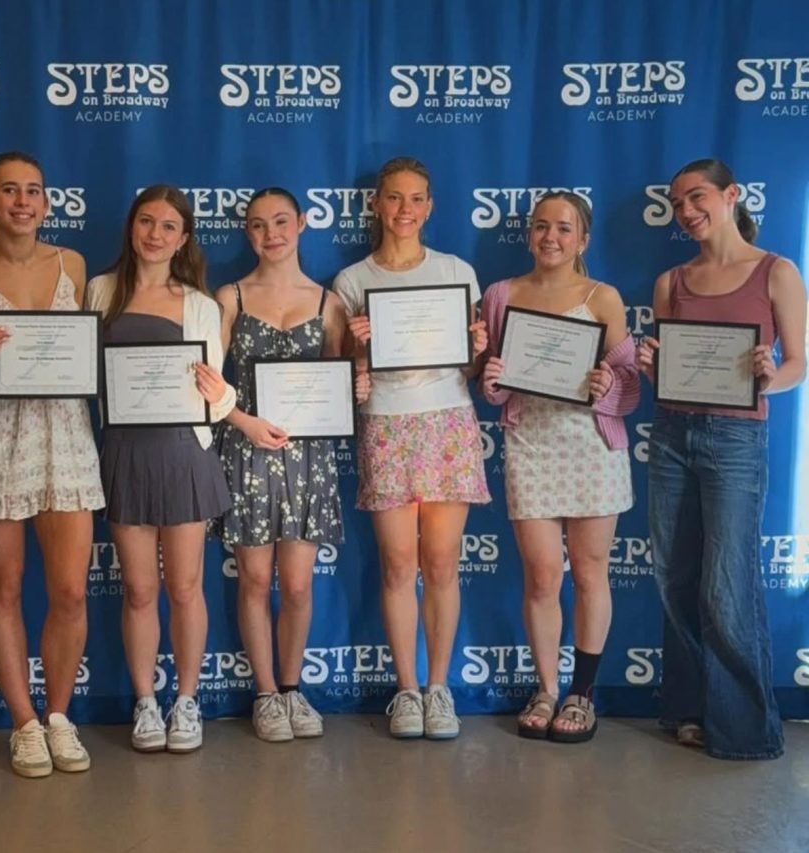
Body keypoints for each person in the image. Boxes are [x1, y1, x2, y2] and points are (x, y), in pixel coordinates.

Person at [637, 159, 806, 760]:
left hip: (737, 439)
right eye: (678, 202)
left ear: (732, 195)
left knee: (727, 583)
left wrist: (770, 374)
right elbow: (672, 370)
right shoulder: (670, 281)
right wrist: (656, 366)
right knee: (675, 575)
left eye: (697, 197)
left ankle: (744, 730)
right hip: (673, 433)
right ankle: (687, 709)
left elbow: (797, 364)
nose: (686, 211)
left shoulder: (777, 272)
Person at [0, 152, 104, 778]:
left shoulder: (73, 265)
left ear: (47, 203)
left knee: (69, 589)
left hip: (66, 435)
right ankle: (23, 723)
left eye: (33, 191)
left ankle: (60, 716)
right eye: (8, 191)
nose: (22, 201)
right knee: (5, 586)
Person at [335, 156, 490, 740]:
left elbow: (472, 369)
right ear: (377, 204)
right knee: (399, 564)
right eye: (394, 198)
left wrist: (476, 345)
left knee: (443, 564)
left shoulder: (457, 270)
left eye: (416, 198)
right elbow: (345, 381)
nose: (405, 209)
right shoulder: (352, 281)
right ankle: (405, 690)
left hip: (447, 419)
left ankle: (440, 687)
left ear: (430, 206)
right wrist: (358, 352)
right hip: (386, 424)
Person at [480, 191, 639, 743]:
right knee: (543, 576)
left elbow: (629, 385)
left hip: (592, 449)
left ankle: (582, 692)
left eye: (564, 229)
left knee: (591, 572)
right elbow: (494, 384)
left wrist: (607, 386)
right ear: (529, 234)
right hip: (531, 447)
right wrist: (492, 380)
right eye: (542, 226)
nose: (551, 237)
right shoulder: (502, 294)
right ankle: (546, 688)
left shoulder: (604, 297)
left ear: (583, 240)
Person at [214, 187, 369, 742]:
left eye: (281, 221)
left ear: (302, 224)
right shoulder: (228, 296)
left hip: (309, 457)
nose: (270, 233)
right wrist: (245, 423)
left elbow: (338, 386)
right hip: (248, 449)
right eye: (257, 225)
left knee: (298, 585)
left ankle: (291, 686)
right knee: (254, 579)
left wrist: (361, 368)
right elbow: (207, 382)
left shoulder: (331, 303)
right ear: (247, 233)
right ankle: (263, 695)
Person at [87, 185, 236, 753]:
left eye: (168, 226)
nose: (155, 234)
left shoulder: (201, 303)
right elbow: (81, 375)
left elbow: (216, 398)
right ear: (132, 228)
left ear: (183, 239)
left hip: (184, 454)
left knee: (186, 586)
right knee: (139, 590)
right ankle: (146, 702)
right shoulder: (100, 291)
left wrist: (224, 400)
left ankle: (188, 700)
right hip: (125, 454)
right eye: (146, 221)